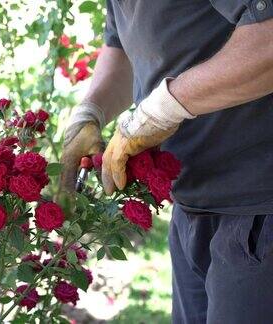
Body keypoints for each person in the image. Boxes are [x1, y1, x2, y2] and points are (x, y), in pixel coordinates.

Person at [60, 1, 273, 323]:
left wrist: (163, 108)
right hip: (191, 205)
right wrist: (90, 112)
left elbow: (268, 41)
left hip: (256, 206)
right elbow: (126, 49)